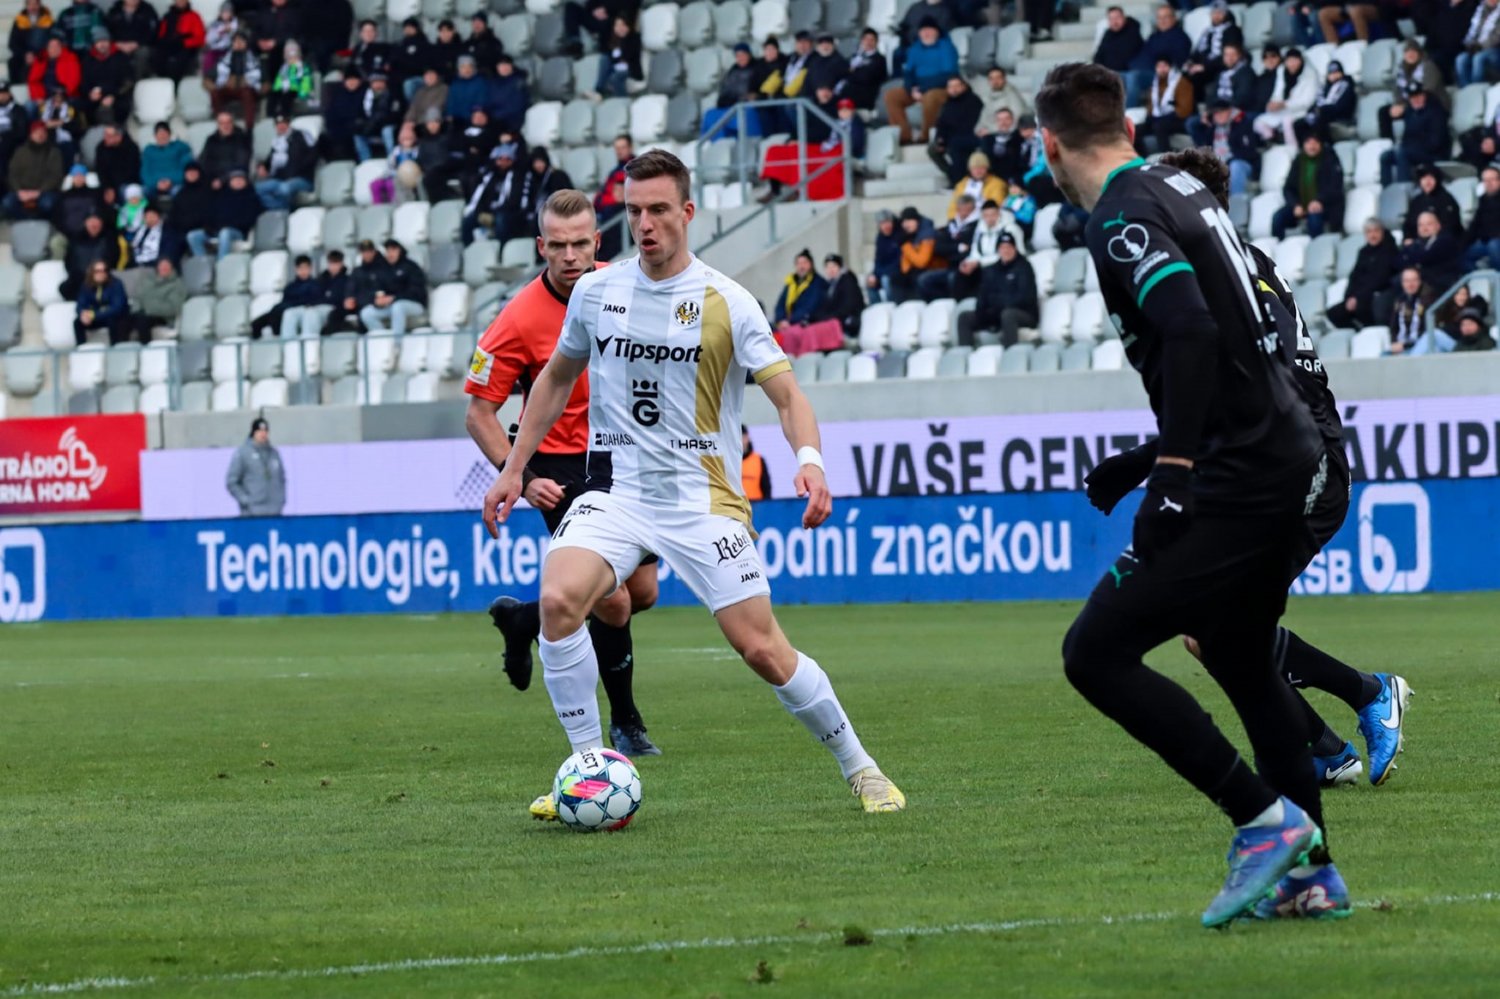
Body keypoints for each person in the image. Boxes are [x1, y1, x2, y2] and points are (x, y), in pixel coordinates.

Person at [483, 149, 905, 818]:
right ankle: (589, 770)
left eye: (658, 210)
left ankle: (864, 769)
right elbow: (556, 378)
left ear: (687, 212)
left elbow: (788, 394)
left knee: (761, 648)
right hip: (617, 492)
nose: (644, 224)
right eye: (633, 211)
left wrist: (811, 460)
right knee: (559, 599)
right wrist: (513, 468)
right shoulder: (597, 292)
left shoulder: (727, 302)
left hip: (702, 500)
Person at [1036, 62, 1337, 926]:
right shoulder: (1181, 186)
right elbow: (1236, 341)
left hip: (1234, 476)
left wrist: (1170, 473)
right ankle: (1312, 876)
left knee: (1094, 653)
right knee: (1242, 657)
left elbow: (1195, 329)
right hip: (1283, 453)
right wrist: (1149, 457)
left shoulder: (1121, 215)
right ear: (1127, 127)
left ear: (1049, 145)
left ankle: (1262, 821)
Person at [1148, 146, 1413, 793]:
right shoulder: (1229, 264)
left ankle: (1367, 696)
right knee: (1206, 627)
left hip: (1302, 463)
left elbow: (1271, 375)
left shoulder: (1233, 273)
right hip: (1267, 465)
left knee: (1219, 622)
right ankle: (1326, 746)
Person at [466, 188, 660, 759]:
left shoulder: (623, 287)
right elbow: (479, 413)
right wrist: (522, 477)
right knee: (614, 601)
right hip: (560, 465)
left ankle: (525, 619)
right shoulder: (518, 319)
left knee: (642, 593)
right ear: (541, 247)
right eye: (558, 246)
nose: (570, 256)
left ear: (597, 242)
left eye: (580, 244)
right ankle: (625, 724)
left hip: (623, 456)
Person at [884, 18, 959, 146]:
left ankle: (925, 136)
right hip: (918, 89)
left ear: (936, 32)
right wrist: (911, 89)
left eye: (929, 30)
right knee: (891, 96)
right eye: (923, 30)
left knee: (930, 97)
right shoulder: (914, 49)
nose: (926, 33)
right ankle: (904, 136)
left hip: (941, 88)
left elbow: (949, 75)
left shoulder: (946, 47)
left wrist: (923, 89)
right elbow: (908, 73)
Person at [961, 230, 1036, 346]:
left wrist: (999, 305)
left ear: (1015, 248)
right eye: (1002, 247)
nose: (1006, 251)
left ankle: (1010, 351)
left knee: (1008, 314)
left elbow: (1025, 298)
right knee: (965, 317)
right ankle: (965, 352)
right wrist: (982, 311)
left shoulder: (1024, 267)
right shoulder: (992, 270)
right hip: (996, 312)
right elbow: (983, 295)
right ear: (998, 250)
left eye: (1009, 247)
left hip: (1023, 313)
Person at [1325, 219, 1398, 329]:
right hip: (1358, 297)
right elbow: (1354, 277)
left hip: (1375, 296)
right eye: (1369, 232)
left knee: (1361, 308)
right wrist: (1349, 297)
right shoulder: (1363, 252)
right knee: (1333, 313)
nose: (1373, 235)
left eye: (1376, 231)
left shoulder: (1389, 250)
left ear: (1382, 232)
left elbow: (1381, 279)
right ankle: (1357, 331)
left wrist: (1358, 298)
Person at [1273, 131, 1343, 238]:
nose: (1312, 146)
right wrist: (1295, 205)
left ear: (1320, 144)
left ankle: (1316, 245)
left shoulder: (1330, 159)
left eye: (1315, 142)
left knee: (1314, 217)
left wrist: (1319, 200)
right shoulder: (1299, 160)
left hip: (1326, 205)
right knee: (1278, 217)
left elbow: (1335, 187)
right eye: (1308, 143)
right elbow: (1288, 188)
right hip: (1301, 205)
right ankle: (1278, 244)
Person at [1379, 90, 1450, 185]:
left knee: (1403, 153)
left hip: (1434, 154)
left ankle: (1404, 187)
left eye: (1418, 97)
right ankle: (1387, 189)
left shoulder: (1436, 112)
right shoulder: (1410, 111)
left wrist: (1413, 148)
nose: (1416, 100)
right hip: (1414, 150)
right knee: (1385, 156)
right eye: (1412, 98)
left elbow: (1436, 142)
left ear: (1424, 96)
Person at [1126, 5, 1190, 108]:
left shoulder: (1181, 38)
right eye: (1159, 18)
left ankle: (1127, 113)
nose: (1162, 21)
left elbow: (1176, 63)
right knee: (1113, 77)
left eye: (1166, 17)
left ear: (1174, 18)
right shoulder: (1154, 36)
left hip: (1157, 74)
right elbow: (1142, 55)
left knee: (1132, 77)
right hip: (1139, 70)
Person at [360, 239, 426, 334]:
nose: (390, 254)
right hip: (390, 305)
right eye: (388, 250)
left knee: (398, 307)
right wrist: (378, 300)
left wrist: (394, 298)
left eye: (393, 250)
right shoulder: (383, 268)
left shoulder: (411, 267)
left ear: (400, 251)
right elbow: (377, 287)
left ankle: (397, 341)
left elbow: (416, 291)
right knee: (366, 313)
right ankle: (382, 339)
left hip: (414, 304)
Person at [250, 253, 323, 339]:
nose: (303, 271)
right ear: (296, 269)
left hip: (297, 311)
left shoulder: (315, 285)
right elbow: (284, 300)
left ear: (310, 269)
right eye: (300, 268)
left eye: (305, 268)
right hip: (282, 309)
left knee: (281, 314)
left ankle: (278, 338)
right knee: (256, 323)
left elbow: (312, 301)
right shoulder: (290, 286)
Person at [1252, 47, 1315, 145]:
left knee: (1287, 122)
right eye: (1289, 61)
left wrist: (1285, 104)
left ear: (1301, 61)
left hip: (1300, 111)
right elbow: (1278, 92)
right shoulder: (1282, 71)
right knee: (1258, 122)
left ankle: (1292, 149)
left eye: (1295, 60)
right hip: (1282, 110)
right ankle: (1272, 141)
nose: (1292, 64)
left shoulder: (1310, 75)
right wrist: (1272, 103)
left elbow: (1307, 102)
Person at [193, 168, 259, 260]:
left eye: (240, 179)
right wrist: (210, 228)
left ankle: (221, 263)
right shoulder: (221, 196)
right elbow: (211, 214)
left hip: (237, 232)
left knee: (225, 233)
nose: (238, 182)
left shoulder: (251, 198)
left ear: (246, 182)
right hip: (216, 230)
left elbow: (250, 219)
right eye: (235, 179)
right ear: (230, 182)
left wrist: (228, 225)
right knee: (193, 236)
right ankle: (203, 262)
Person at [3, 121, 64, 220]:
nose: (40, 135)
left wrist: (39, 191)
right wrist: (19, 191)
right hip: (22, 191)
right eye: (37, 132)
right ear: (31, 135)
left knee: (47, 204)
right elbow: (13, 174)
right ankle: (25, 221)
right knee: (7, 203)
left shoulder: (54, 152)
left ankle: (38, 222)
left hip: (44, 192)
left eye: (43, 132)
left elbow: (55, 176)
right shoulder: (20, 152)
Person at [927, 76, 984, 183]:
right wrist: (940, 140)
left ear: (963, 86)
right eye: (951, 87)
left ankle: (958, 179)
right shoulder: (947, 104)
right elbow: (941, 125)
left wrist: (948, 139)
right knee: (932, 149)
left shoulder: (973, 101)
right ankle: (951, 174)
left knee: (956, 144)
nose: (954, 89)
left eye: (957, 86)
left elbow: (971, 124)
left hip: (971, 137)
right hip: (952, 139)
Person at [255, 114, 317, 211]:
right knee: (257, 189)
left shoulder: (300, 136)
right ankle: (281, 209)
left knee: (284, 189)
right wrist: (262, 167)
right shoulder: (277, 142)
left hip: (301, 178)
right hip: (280, 179)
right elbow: (269, 161)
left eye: (283, 123)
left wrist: (297, 167)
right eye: (278, 124)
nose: (281, 126)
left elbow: (313, 155)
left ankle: (285, 211)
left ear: (289, 124)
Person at [226, 417, 286, 517]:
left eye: (265, 431)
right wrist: (245, 500)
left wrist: (281, 500)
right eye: (259, 431)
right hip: (252, 514)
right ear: (253, 433)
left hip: (275, 512)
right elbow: (232, 482)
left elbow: (282, 479)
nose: (263, 434)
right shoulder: (243, 453)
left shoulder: (274, 454)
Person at [952, 197, 1008, 300]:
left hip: (999, 265)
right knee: (961, 272)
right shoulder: (980, 229)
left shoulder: (1008, 229)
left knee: (987, 273)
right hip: (981, 264)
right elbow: (975, 250)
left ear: (999, 214)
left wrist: (979, 262)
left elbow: (1006, 255)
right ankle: (961, 303)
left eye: (993, 215)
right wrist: (969, 262)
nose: (990, 218)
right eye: (986, 215)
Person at [1137, 57, 1193, 156]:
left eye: (1165, 66)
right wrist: (1150, 117)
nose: (1162, 69)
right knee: (1134, 129)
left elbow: (1185, 110)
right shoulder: (1155, 84)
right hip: (1158, 119)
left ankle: (1167, 159)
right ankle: (1141, 159)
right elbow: (1151, 107)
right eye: (1159, 67)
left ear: (1171, 68)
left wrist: (1163, 118)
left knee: (1159, 126)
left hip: (1178, 120)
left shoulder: (1181, 82)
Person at [79, 25, 133, 125]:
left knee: (120, 107)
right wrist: (90, 94)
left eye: (104, 41)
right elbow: (84, 83)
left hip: (117, 97)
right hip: (95, 97)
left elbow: (128, 82)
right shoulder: (88, 60)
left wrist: (113, 96)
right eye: (99, 42)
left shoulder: (120, 57)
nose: (102, 44)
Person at [1400, 210, 1465, 292]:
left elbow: (1424, 258)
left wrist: (1408, 249)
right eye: (1420, 225)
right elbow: (1399, 260)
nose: (1424, 228)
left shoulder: (1445, 240)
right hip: (1423, 284)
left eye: (1429, 224)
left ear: (1438, 225)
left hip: (1441, 285)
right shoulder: (1417, 243)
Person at [126, 257, 186, 341]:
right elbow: (137, 298)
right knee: (122, 320)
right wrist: (137, 310)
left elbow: (173, 308)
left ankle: (145, 347)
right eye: (161, 266)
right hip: (141, 313)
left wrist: (149, 308)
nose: (163, 268)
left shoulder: (177, 284)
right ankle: (120, 347)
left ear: (171, 268)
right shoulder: (147, 281)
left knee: (142, 320)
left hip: (162, 318)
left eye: (166, 266)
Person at [893, 205, 943, 303]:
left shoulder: (927, 234)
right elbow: (905, 268)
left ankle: (919, 305)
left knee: (918, 278)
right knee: (896, 277)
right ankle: (903, 307)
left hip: (934, 268)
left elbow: (922, 262)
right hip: (920, 269)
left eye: (909, 221)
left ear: (917, 221)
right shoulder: (910, 235)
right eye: (904, 222)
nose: (906, 225)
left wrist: (905, 245)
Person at [594, 134, 632, 260]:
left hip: (617, 217)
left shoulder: (633, 169)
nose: (619, 151)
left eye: (622, 147)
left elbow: (620, 197)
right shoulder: (615, 170)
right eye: (617, 148)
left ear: (630, 148)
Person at [209, 30, 260, 124]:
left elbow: (257, 75)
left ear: (246, 43)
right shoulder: (225, 58)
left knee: (247, 93)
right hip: (228, 87)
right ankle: (220, 121)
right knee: (215, 92)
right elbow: (213, 75)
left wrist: (242, 80)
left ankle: (249, 126)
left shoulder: (254, 58)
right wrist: (224, 82)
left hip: (246, 87)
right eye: (236, 41)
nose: (238, 43)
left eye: (241, 41)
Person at [73, 259, 129, 345]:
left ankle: (115, 348)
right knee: (77, 322)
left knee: (114, 321)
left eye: (104, 270)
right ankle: (82, 349)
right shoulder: (86, 285)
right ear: (92, 273)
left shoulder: (116, 284)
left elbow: (117, 308)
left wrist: (94, 315)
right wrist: (83, 314)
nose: (101, 273)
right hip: (95, 317)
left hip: (111, 316)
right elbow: (80, 304)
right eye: (98, 271)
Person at [1299, 60, 1356, 142]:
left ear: (1341, 73)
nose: (1334, 75)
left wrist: (1322, 110)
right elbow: (1317, 102)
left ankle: (1322, 144)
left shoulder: (1347, 86)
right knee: (1299, 124)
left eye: (1336, 72)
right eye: (1331, 73)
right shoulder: (1325, 88)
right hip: (1323, 113)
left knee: (1320, 115)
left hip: (1340, 115)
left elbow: (1343, 106)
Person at [773, 248, 826, 332]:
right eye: (798, 263)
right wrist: (781, 319)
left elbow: (810, 307)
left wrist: (789, 321)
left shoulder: (818, 283)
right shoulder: (791, 282)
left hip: (806, 325)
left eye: (804, 263)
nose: (801, 266)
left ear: (811, 264)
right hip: (787, 324)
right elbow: (780, 304)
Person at [1405, 165, 1463, 241]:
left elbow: (1450, 227)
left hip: (1443, 241)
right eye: (1424, 178)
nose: (1427, 182)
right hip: (1419, 242)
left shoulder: (1446, 199)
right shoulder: (1416, 201)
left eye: (1431, 178)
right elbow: (1408, 224)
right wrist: (1408, 237)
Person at [152, 0, 205, 83]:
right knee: (157, 57)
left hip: (186, 47)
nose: (180, 1)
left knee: (179, 62)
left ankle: (176, 85)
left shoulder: (194, 16)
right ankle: (164, 84)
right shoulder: (167, 16)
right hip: (168, 46)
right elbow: (161, 35)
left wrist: (184, 43)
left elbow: (200, 38)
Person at [835, 28, 887, 111]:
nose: (868, 42)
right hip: (848, 95)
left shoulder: (879, 59)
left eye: (872, 40)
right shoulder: (855, 56)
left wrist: (850, 72)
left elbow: (866, 77)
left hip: (864, 98)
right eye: (866, 39)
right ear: (862, 41)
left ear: (876, 42)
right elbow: (842, 73)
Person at [591, 15, 640, 99]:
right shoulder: (614, 40)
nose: (619, 28)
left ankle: (623, 99)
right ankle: (599, 90)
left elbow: (628, 56)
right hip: (617, 67)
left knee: (614, 77)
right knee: (604, 58)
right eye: (617, 25)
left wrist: (617, 58)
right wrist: (617, 59)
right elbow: (611, 56)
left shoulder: (634, 38)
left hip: (630, 69)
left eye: (622, 25)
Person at [353, 72, 398, 164]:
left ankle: (392, 161)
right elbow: (360, 113)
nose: (378, 85)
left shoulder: (392, 95)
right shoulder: (365, 95)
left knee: (387, 131)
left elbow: (393, 115)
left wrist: (372, 125)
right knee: (357, 134)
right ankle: (365, 162)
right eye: (375, 82)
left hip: (387, 125)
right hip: (371, 125)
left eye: (380, 82)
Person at [266, 39, 315, 120]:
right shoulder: (284, 68)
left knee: (287, 96)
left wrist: (303, 93)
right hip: (285, 88)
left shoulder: (302, 68)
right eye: (289, 58)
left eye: (294, 57)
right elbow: (279, 80)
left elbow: (306, 81)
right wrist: (278, 88)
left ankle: (285, 115)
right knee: (273, 95)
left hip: (297, 89)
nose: (292, 59)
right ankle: (271, 116)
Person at [199, 110, 251, 186]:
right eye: (222, 123)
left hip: (233, 179)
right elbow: (203, 160)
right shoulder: (211, 139)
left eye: (228, 122)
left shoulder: (241, 139)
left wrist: (222, 180)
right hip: (212, 179)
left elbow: (241, 163)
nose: (225, 126)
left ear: (233, 123)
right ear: (218, 125)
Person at [1456, 0, 1500, 86]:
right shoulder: (1480, 10)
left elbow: (1497, 37)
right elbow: (1473, 31)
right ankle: (1466, 89)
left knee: (1478, 58)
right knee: (1461, 59)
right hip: (1478, 47)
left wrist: (1481, 46)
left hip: (1494, 49)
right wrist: (1470, 45)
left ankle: (1477, 88)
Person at [142, 121, 192, 197]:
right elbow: (145, 172)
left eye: (164, 133)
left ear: (169, 134)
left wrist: (171, 181)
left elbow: (187, 169)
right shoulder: (149, 151)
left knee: (180, 192)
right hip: (154, 185)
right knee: (141, 192)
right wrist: (156, 183)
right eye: (159, 134)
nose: (162, 136)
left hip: (175, 184)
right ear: (155, 136)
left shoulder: (180, 148)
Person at [1465, 164, 1500, 270]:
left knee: (1493, 246)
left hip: (1496, 241)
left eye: (1492, 179)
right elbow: (1476, 224)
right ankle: (1479, 277)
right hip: (1486, 240)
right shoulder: (1483, 200)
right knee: (1462, 255)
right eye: (1485, 180)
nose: (1488, 183)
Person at [1093, 6, 1144, 78]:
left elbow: (1128, 55)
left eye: (1117, 18)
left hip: (1127, 72)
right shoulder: (1108, 34)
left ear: (1124, 18)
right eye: (1111, 19)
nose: (1114, 21)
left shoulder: (1133, 31)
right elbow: (1099, 55)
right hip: (1109, 73)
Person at [28, 35, 81, 102]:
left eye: (57, 46)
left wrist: (62, 96)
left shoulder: (70, 58)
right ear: (47, 48)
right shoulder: (41, 59)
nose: (54, 49)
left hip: (64, 96)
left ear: (61, 47)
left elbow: (74, 81)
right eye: (51, 46)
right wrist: (38, 97)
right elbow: (33, 81)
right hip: (44, 98)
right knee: (29, 105)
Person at [866, 209, 901, 304]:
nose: (886, 226)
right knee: (870, 281)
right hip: (884, 271)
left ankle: (892, 305)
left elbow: (899, 260)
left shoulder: (899, 235)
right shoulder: (880, 238)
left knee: (886, 280)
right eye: (882, 223)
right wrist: (874, 275)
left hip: (897, 272)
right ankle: (877, 307)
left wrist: (882, 273)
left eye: (888, 222)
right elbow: (878, 260)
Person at [741, 426, 770, 500]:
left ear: (747, 438)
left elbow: (766, 488)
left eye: (742, 437)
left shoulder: (759, 460)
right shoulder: (728, 461)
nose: (740, 441)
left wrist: (766, 505)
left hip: (757, 505)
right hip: (735, 505)